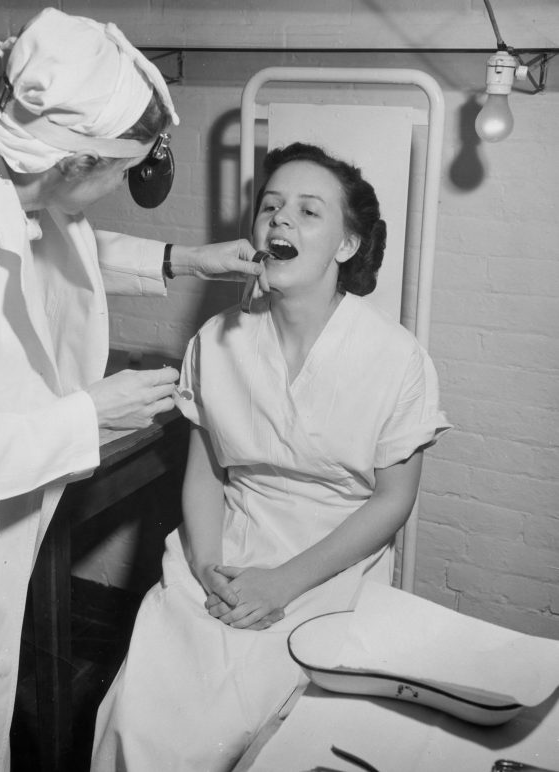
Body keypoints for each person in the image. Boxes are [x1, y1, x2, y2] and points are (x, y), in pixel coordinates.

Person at [0, 8, 265, 772]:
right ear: (69, 162)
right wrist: (91, 413)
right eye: (118, 169)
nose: (126, 184)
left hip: (3, 512)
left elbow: (63, 241)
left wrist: (189, 258)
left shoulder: (13, 174)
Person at [91, 142, 452, 771]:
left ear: (346, 245)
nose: (281, 219)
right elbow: (205, 472)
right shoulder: (217, 340)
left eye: (309, 211)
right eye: (271, 207)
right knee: (150, 716)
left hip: (334, 559)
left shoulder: (396, 359)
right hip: (227, 540)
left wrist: (285, 583)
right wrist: (207, 568)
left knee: (274, 733)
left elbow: (393, 499)